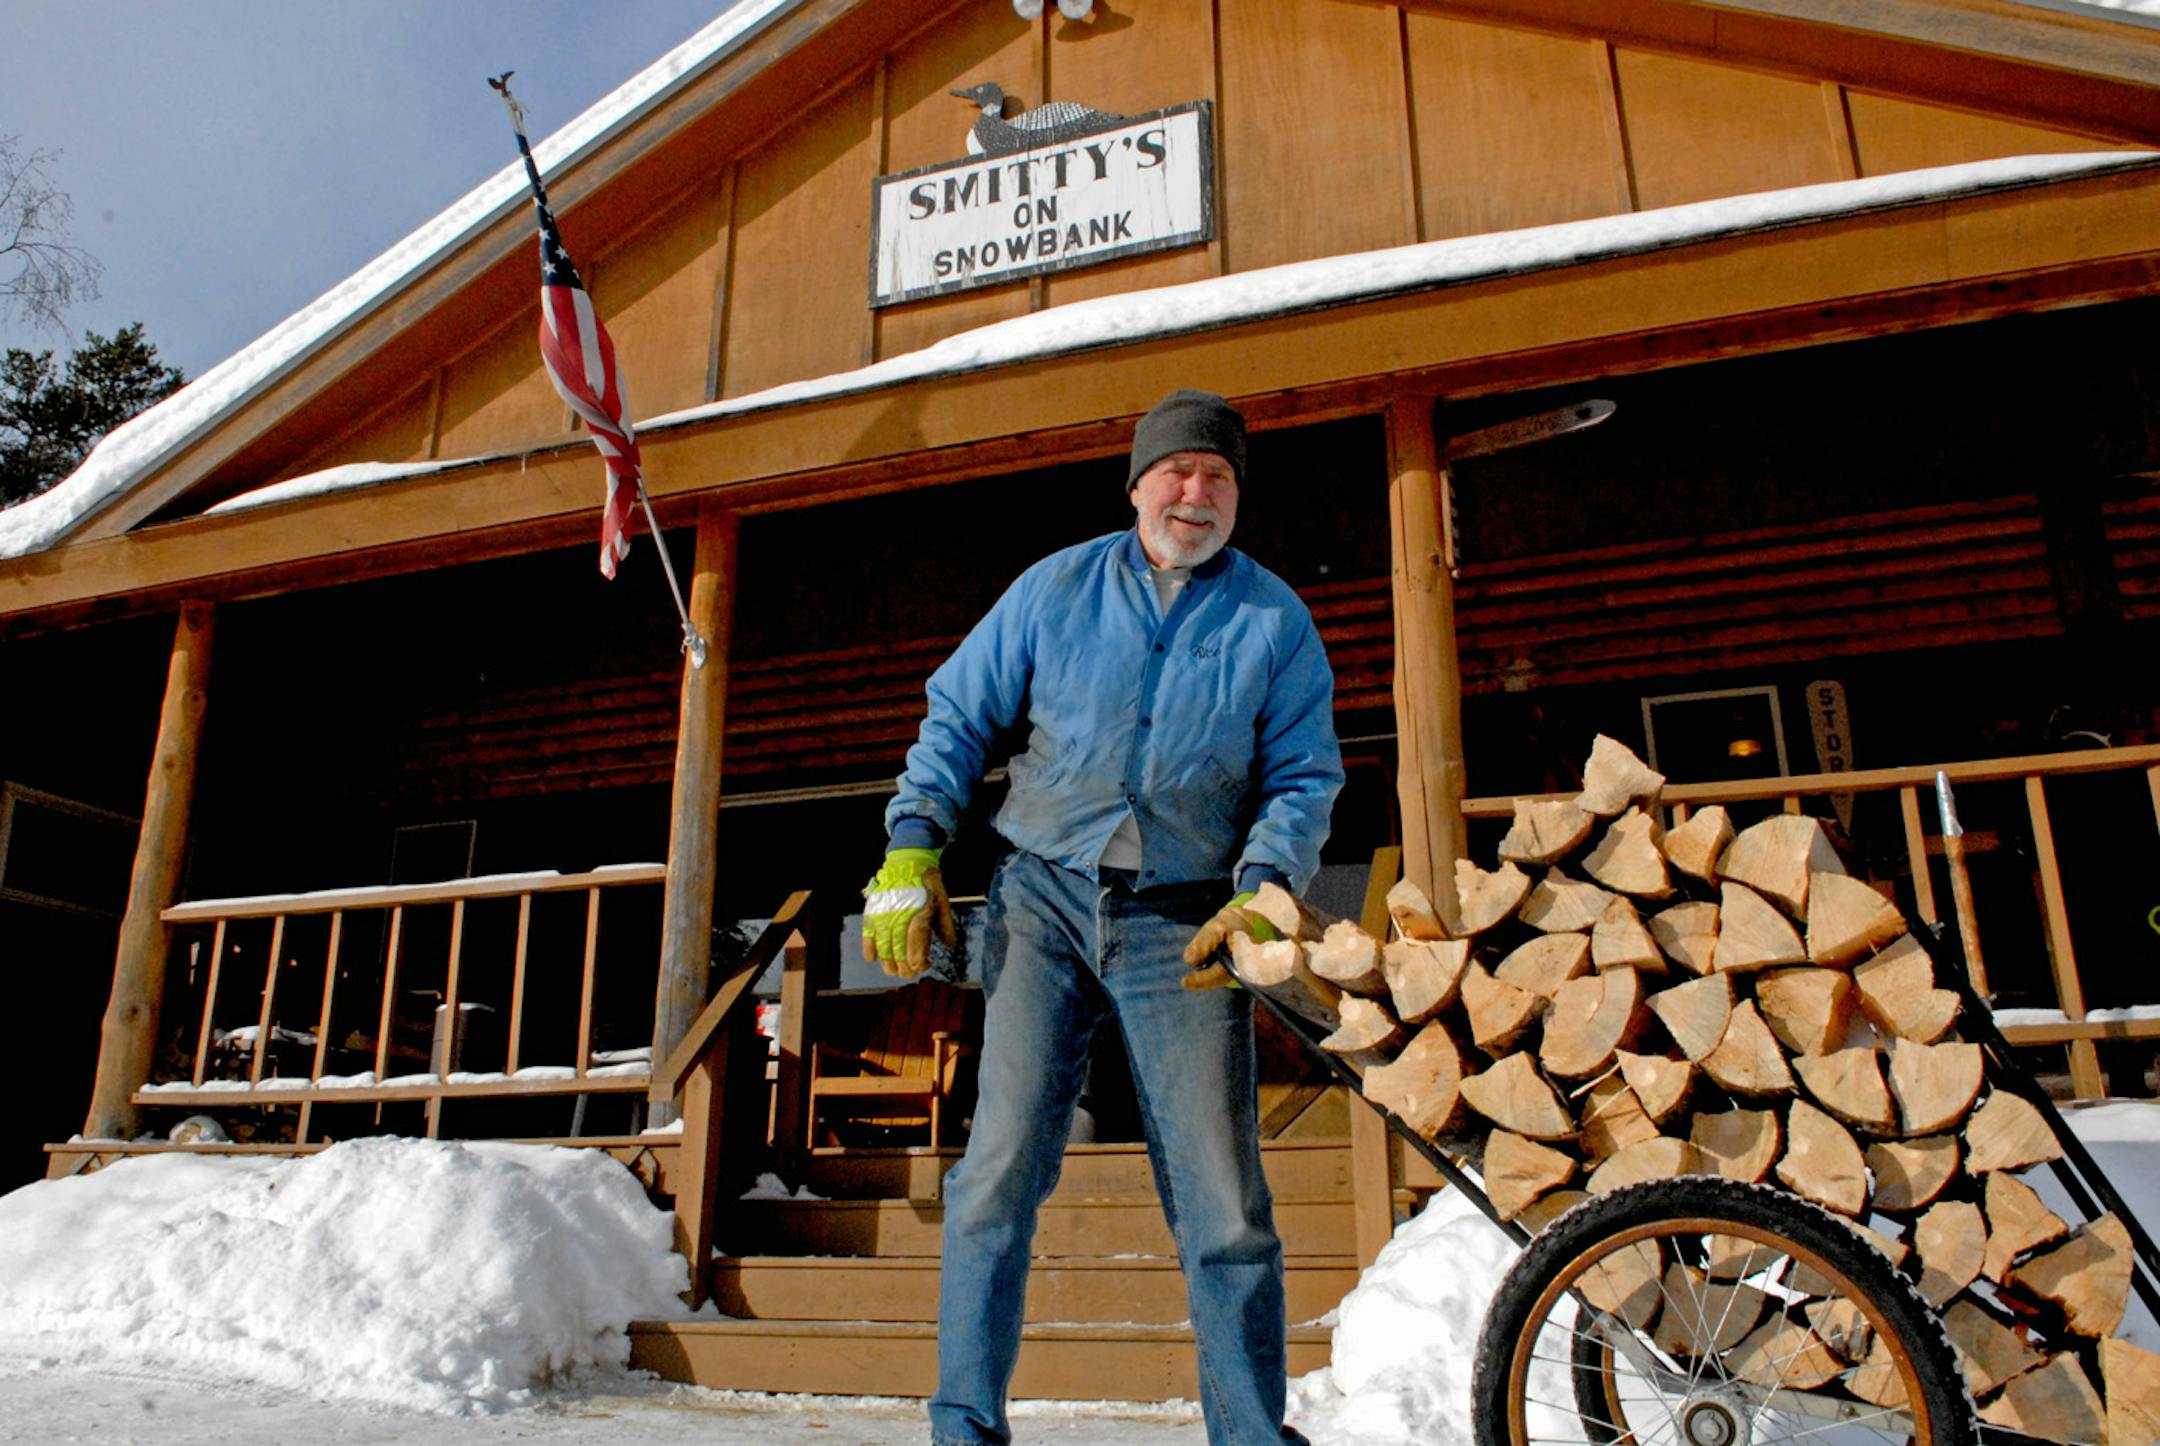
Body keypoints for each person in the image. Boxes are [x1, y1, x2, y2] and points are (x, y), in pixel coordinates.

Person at [860, 387, 1343, 1446]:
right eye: (1178, 471)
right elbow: (958, 713)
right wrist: (912, 841)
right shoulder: (1055, 589)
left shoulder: (1273, 618)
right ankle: (964, 1429)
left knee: (1224, 1201)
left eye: (1218, 478)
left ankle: (1252, 1437)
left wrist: (1268, 879)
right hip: (1040, 899)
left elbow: (1304, 772)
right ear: (1137, 484)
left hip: (1185, 919)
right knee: (997, 1172)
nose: (1197, 492)